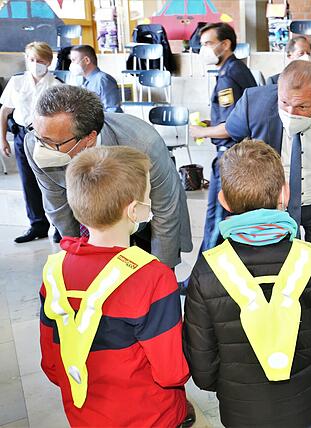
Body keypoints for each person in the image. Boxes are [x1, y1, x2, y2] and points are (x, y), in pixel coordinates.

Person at [183, 139, 311, 428]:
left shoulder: (206, 271)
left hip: (242, 412)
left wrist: (232, 385)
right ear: (285, 194)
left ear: (223, 200)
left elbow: (202, 368)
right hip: (305, 405)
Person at [39, 146, 189, 426]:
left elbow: (51, 364)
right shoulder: (153, 278)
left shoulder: (53, 272)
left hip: (85, 416)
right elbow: (172, 372)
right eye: (147, 196)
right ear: (134, 210)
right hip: (151, 417)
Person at [192, 60, 311, 259]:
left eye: (302, 106)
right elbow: (233, 132)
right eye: (284, 103)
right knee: (273, 265)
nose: (291, 113)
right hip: (270, 206)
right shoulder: (253, 103)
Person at [24, 85, 192, 269]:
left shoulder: (143, 144)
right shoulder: (36, 143)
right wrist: (78, 255)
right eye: (38, 135)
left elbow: (165, 212)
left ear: (89, 138)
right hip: (93, 223)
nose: (40, 147)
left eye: (52, 143)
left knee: (148, 281)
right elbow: (57, 207)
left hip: (147, 221)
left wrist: (161, 274)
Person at [195, 22, 257, 252]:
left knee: (218, 218)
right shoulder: (234, 70)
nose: (204, 49)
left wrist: (202, 132)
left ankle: (204, 274)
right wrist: (212, 124)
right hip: (237, 155)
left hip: (229, 156)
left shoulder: (229, 77)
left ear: (225, 44)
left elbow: (232, 128)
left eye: (208, 43)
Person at [0, 41, 60, 243]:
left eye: (40, 60)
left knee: (52, 182)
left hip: (47, 137)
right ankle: (37, 225)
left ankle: (60, 225)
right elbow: (5, 111)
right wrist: (3, 140)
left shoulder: (56, 84)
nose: (35, 64)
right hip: (21, 135)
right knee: (28, 182)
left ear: (49, 62)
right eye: (31, 59)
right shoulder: (17, 82)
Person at [69, 44, 122, 113]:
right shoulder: (79, 80)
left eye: (73, 60)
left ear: (87, 60)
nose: (71, 64)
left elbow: (113, 112)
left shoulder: (103, 80)